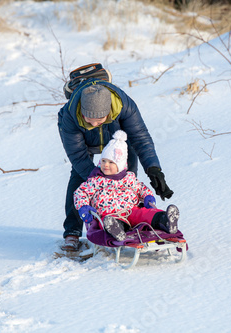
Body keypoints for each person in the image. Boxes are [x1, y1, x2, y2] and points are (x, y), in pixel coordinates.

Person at [57, 74, 173, 250]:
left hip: (117, 138)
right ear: (82, 113)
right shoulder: (70, 116)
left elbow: (140, 139)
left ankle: (132, 222)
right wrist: (98, 178)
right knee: (80, 178)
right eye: (89, 120)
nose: (94, 123)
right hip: (85, 144)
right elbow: (78, 155)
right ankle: (72, 232)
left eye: (99, 119)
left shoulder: (125, 107)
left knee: (127, 177)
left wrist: (154, 169)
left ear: (109, 111)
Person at [73, 130, 179, 241]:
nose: (105, 165)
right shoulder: (96, 180)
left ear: (120, 165)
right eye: (103, 161)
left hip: (132, 211)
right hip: (109, 214)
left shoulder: (129, 178)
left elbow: (141, 188)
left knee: (145, 213)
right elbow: (81, 192)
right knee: (108, 221)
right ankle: (117, 230)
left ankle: (165, 220)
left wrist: (148, 196)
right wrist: (83, 206)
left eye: (111, 162)